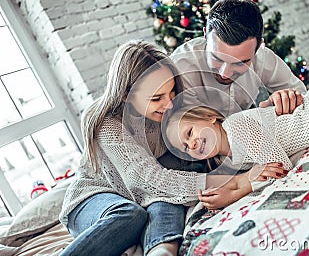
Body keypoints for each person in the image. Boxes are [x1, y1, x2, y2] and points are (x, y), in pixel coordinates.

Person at [59, 40, 281, 256]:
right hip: (95, 198)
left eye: (171, 91)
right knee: (131, 214)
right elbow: (150, 181)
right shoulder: (108, 125)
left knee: (172, 197)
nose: (168, 104)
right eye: (156, 98)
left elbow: (214, 136)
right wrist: (236, 181)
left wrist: (267, 115)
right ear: (127, 95)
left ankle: (161, 250)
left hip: (146, 197)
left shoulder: (171, 112)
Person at [164, 57, 309, 209]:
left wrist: (236, 192)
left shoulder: (235, 127)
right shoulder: (235, 157)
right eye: (186, 148)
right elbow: (263, 170)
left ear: (209, 117)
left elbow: (278, 167)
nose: (192, 144)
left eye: (190, 133)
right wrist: (233, 186)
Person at [170, 0, 306, 116]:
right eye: (217, 58)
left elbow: (303, 96)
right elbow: (188, 127)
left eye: (239, 63)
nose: (225, 74)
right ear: (205, 35)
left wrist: (287, 100)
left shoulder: (263, 57)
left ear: (258, 47)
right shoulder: (180, 67)